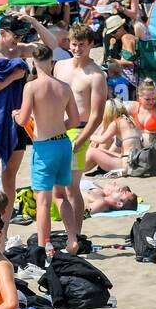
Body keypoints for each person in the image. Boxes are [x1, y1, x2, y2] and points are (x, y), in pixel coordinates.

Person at [0, 13, 49, 220]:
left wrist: (34, 21)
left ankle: (3, 229)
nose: (18, 40)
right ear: (2, 32)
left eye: (21, 35)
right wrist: (12, 78)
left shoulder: (21, 50)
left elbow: (51, 46)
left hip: (18, 121)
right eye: (14, 35)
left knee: (9, 178)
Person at [13, 43, 81, 253]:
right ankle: (72, 239)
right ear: (52, 62)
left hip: (44, 147)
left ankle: (44, 246)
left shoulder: (31, 87)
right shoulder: (64, 87)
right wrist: (59, 126)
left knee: (43, 200)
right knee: (61, 195)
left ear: (34, 63)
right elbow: (76, 120)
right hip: (63, 143)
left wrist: (15, 115)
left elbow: (24, 119)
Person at [52, 22, 107, 252]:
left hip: (79, 131)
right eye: (74, 44)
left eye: (81, 45)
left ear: (91, 45)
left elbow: (97, 115)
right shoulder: (60, 66)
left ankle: (76, 235)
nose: (76, 49)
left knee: (72, 188)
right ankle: (69, 234)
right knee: (57, 189)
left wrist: (82, 139)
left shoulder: (96, 75)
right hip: (56, 129)